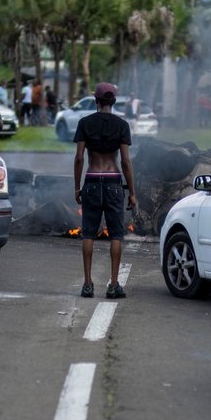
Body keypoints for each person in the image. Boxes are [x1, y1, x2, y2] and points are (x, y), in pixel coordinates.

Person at [73, 82, 136, 299]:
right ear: (114, 101)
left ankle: (88, 285)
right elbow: (126, 162)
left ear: (97, 101)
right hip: (113, 182)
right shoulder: (122, 125)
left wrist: (77, 187)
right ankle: (113, 285)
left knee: (88, 233)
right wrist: (133, 192)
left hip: (91, 181)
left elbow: (80, 157)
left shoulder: (85, 123)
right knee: (116, 235)